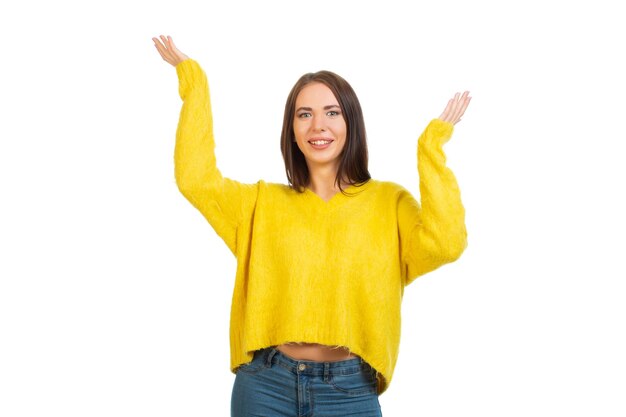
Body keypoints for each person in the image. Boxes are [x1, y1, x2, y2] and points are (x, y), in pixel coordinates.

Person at [153, 34, 471, 416]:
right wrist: (194, 83)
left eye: (332, 112)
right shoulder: (259, 203)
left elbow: (446, 243)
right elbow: (195, 179)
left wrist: (431, 149)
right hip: (265, 387)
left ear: (351, 121)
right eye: (305, 114)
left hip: (351, 391)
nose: (318, 125)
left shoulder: (390, 203)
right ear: (292, 128)